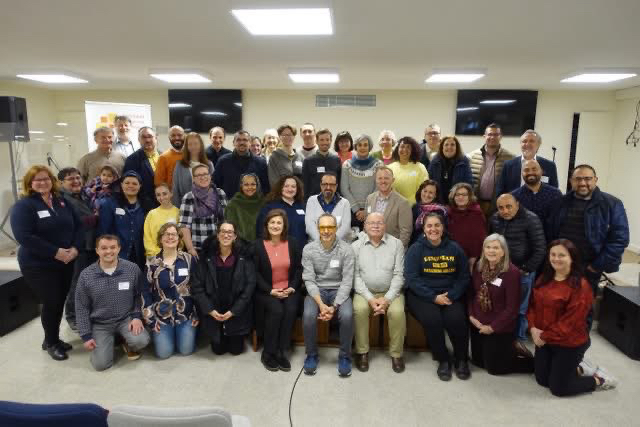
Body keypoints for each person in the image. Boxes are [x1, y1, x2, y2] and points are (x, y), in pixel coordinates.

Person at [10, 165, 83, 361]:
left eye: (46, 179)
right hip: (38, 265)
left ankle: (51, 338)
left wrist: (75, 248)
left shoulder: (61, 201)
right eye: (38, 180)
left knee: (59, 300)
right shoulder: (24, 206)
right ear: (30, 183)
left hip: (66, 261)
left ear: (52, 181)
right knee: (51, 301)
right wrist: (55, 252)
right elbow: (24, 236)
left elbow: (79, 226)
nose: (43, 182)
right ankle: (51, 343)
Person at [528, 239, 617, 395]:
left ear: (572, 258)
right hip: (544, 338)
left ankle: (599, 379)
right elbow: (532, 306)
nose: (556, 258)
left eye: (562, 255)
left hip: (568, 342)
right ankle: (580, 368)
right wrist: (533, 328)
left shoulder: (580, 286)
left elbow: (570, 323)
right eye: (553, 254)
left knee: (558, 389)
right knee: (542, 380)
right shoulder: (544, 278)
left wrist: (543, 336)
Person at [547, 164, 629, 300]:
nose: (582, 183)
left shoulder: (612, 204)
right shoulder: (560, 202)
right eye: (578, 179)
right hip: (561, 264)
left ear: (595, 180)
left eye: (587, 178)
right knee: (559, 301)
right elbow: (551, 232)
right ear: (571, 181)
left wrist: (596, 266)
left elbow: (620, 240)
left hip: (589, 267)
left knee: (583, 305)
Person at [405, 213, 471, 381]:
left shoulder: (455, 248)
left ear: (443, 228)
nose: (433, 229)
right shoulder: (415, 249)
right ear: (423, 229)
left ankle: (461, 359)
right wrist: (433, 297)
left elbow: (464, 276)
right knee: (432, 319)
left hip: (450, 294)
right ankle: (443, 359)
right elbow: (412, 278)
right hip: (422, 294)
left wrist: (452, 295)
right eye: (429, 226)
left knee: (456, 319)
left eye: (437, 225)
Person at [75, 235, 151, 371]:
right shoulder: (86, 275)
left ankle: (125, 342)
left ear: (119, 249)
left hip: (125, 319)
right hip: (100, 324)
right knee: (101, 365)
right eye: (104, 248)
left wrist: (136, 316)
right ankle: (110, 342)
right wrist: (86, 335)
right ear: (97, 250)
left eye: (112, 247)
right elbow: (81, 307)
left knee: (141, 341)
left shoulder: (132, 269)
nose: (109, 251)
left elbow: (139, 295)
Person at [468, 234, 534, 375]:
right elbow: (472, 295)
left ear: (503, 251)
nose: (491, 251)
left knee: (495, 369)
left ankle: (530, 360)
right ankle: (508, 350)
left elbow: (512, 309)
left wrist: (492, 327)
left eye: (496, 248)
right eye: (488, 247)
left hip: (500, 326)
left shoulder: (512, 273)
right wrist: (472, 316)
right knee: (478, 362)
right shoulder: (479, 268)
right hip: (478, 323)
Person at [489, 193, 546, 358]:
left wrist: (526, 269)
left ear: (517, 204)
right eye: (501, 208)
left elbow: (540, 248)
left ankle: (518, 341)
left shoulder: (531, 219)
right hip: (500, 271)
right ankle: (502, 338)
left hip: (523, 273)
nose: (505, 211)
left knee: (520, 309)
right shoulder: (495, 219)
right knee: (501, 305)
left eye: (509, 206)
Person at [302, 213, 355, 377]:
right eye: (322, 227)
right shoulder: (309, 249)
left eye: (330, 227)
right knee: (308, 315)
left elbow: (347, 281)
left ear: (336, 228)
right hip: (317, 291)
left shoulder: (346, 249)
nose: (326, 231)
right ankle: (311, 355)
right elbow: (309, 280)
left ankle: (345, 356)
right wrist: (321, 304)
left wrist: (334, 306)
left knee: (347, 315)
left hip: (339, 290)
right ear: (318, 228)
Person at [352, 213, 406, 373]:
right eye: (371, 223)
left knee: (397, 312)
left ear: (385, 225)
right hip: (364, 292)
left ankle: (396, 354)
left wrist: (387, 299)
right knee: (359, 309)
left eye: (379, 223)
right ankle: (362, 352)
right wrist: (370, 299)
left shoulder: (396, 244)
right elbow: (355, 276)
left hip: (391, 292)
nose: (375, 226)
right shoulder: (356, 246)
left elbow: (399, 274)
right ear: (365, 226)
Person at [191, 221, 255, 355]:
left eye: (230, 232)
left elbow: (249, 288)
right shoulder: (206, 257)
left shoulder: (244, 257)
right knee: (218, 350)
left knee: (236, 351)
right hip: (214, 311)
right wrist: (210, 310)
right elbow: (197, 287)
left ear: (235, 236)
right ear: (218, 235)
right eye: (223, 232)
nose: (226, 235)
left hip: (236, 311)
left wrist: (233, 311)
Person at [253, 209, 302, 371]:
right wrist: (270, 290)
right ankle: (268, 352)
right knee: (276, 310)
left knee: (290, 309)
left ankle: (282, 351)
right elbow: (255, 273)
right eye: (272, 222)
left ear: (284, 225)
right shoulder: (258, 245)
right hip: (267, 291)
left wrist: (292, 287)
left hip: (288, 289)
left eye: (279, 222)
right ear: (266, 225)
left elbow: (298, 269)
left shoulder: (292, 243)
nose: (275, 225)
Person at [142, 223, 198, 359]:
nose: (170, 237)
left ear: (179, 239)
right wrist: (151, 319)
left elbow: (197, 287)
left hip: (185, 314)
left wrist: (197, 314)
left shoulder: (189, 259)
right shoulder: (151, 263)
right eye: (166, 234)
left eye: (174, 234)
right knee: (164, 354)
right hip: (162, 316)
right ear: (160, 239)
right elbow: (145, 292)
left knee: (186, 350)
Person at [58, 167, 97, 331]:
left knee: (90, 282)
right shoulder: (60, 200)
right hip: (76, 248)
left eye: (77, 177)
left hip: (91, 245)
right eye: (70, 179)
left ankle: (87, 313)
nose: (75, 181)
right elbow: (69, 223)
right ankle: (72, 316)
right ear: (61, 182)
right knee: (76, 283)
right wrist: (94, 218)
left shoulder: (84, 194)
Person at [97, 171, 152, 269]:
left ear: (140, 186)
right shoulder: (109, 203)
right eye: (127, 183)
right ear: (121, 185)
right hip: (117, 255)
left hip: (140, 256)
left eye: (134, 183)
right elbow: (104, 231)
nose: (130, 186)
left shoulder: (146, 205)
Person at [178, 164, 227, 256]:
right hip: (199, 249)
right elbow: (184, 226)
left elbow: (226, 220)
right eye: (199, 175)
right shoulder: (189, 197)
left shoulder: (220, 193)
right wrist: (190, 249)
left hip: (220, 246)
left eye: (205, 174)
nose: (203, 177)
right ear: (193, 179)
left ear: (210, 176)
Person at [469, 123, 516, 216]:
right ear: (484, 136)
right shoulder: (472, 156)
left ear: (501, 137)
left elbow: (511, 184)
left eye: (496, 134)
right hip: (475, 204)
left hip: (498, 206)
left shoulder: (510, 158)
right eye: (490, 134)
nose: (492, 137)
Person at [497, 129, 559, 196]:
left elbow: (554, 193)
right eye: (524, 141)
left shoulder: (550, 166)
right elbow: (500, 191)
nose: (527, 144)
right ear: (520, 144)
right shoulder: (508, 165)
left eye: (531, 141)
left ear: (538, 145)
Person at [340, 134, 381, 230]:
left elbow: (378, 187)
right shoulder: (347, 165)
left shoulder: (378, 165)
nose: (362, 148)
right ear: (355, 147)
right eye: (360, 145)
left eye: (365, 145)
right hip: (351, 211)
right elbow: (344, 189)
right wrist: (357, 210)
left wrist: (366, 210)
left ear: (370, 147)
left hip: (373, 209)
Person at [365, 167, 412, 248]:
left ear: (392, 180)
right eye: (380, 178)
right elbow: (366, 224)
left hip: (392, 248)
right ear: (376, 180)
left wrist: (398, 250)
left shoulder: (403, 203)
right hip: (370, 247)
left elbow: (405, 232)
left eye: (386, 178)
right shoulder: (370, 198)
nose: (383, 181)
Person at [214, 130, 270, 199]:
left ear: (250, 143)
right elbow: (215, 184)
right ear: (233, 143)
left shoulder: (261, 163)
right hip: (229, 203)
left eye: (245, 140)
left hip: (254, 204)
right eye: (238, 140)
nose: (242, 142)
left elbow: (266, 188)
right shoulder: (223, 161)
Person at [446, 183, 487, 272]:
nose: (460, 197)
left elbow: (480, 238)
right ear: (453, 197)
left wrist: (474, 257)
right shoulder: (448, 213)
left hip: (472, 259)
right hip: (451, 256)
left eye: (464, 195)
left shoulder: (477, 213)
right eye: (457, 195)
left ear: (470, 197)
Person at [256, 175, 307, 244]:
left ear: (297, 189)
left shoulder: (303, 206)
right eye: (286, 186)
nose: (290, 189)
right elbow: (261, 231)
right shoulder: (270, 207)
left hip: (302, 248)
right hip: (278, 247)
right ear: (280, 187)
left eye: (293, 186)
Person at [511, 159, 562, 223]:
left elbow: (559, 221)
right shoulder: (514, 197)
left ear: (541, 172)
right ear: (521, 173)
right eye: (526, 170)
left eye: (534, 169)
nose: (530, 172)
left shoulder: (555, 194)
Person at [305, 172, 352, 241]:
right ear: (321, 185)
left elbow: (345, 228)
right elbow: (310, 226)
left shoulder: (345, 203)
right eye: (325, 184)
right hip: (316, 243)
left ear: (336, 186)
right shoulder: (312, 201)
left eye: (332, 185)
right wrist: (321, 241)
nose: (328, 187)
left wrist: (332, 242)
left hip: (338, 244)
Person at [172, 132, 214, 206]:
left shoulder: (209, 165)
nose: (193, 146)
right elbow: (175, 190)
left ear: (201, 145)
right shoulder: (179, 165)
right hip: (185, 206)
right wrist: (177, 209)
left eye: (196, 143)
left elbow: (213, 188)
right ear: (186, 147)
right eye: (190, 144)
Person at [123, 126, 161, 208]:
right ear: (139, 140)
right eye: (143, 137)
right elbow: (130, 186)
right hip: (144, 206)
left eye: (150, 136)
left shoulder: (163, 156)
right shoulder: (132, 160)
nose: (147, 140)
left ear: (156, 138)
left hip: (165, 202)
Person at [427, 135, 473, 201]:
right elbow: (429, 182)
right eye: (446, 145)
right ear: (442, 147)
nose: (449, 147)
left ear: (457, 148)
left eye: (452, 145)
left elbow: (469, 184)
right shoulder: (435, 161)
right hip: (437, 200)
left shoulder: (464, 161)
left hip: (458, 201)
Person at [302, 128, 342, 200]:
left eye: (327, 140)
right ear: (316, 141)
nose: (325, 142)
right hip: (314, 201)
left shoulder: (336, 160)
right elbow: (305, 186)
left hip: (333, 201)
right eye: (322, 140)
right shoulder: (308, 161)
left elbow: (339, 184)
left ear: (331, 141)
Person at [224, 173, 266, 243]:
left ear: (257, 185)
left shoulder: (263, 203)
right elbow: (231, 229)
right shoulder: (233, 205)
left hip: (261, 244)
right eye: (246, 185)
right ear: (241, 186)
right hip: (240, 245)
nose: (250, 187)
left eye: (253, 184)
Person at [388, 136, 429, 205]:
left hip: (414, 207)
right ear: (397, 149)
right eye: (402, 147)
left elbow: (424, 189)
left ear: (412, 150)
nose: (405, 149)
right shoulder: (389, 168)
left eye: (408, 147)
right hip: (393, 206)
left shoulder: (420, 167)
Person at [143, 183, 180, 258]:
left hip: (174, 256)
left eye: (164, 194)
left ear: (171, 193)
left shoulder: (178, 213)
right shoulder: (151, 214)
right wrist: (155, 254)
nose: (161, 197)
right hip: (154, 256)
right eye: (158, 195)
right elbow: (147, 237)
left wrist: (175, 252)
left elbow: (181, 236)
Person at [411, 180, 448, 244]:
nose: (427, 195)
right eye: (425, 191)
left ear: (435, 195)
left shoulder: (440, 211)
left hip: (433, 244)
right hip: (415, 243)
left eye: (431, 193)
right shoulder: (415, 207)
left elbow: (441, 232)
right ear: (420, 191)